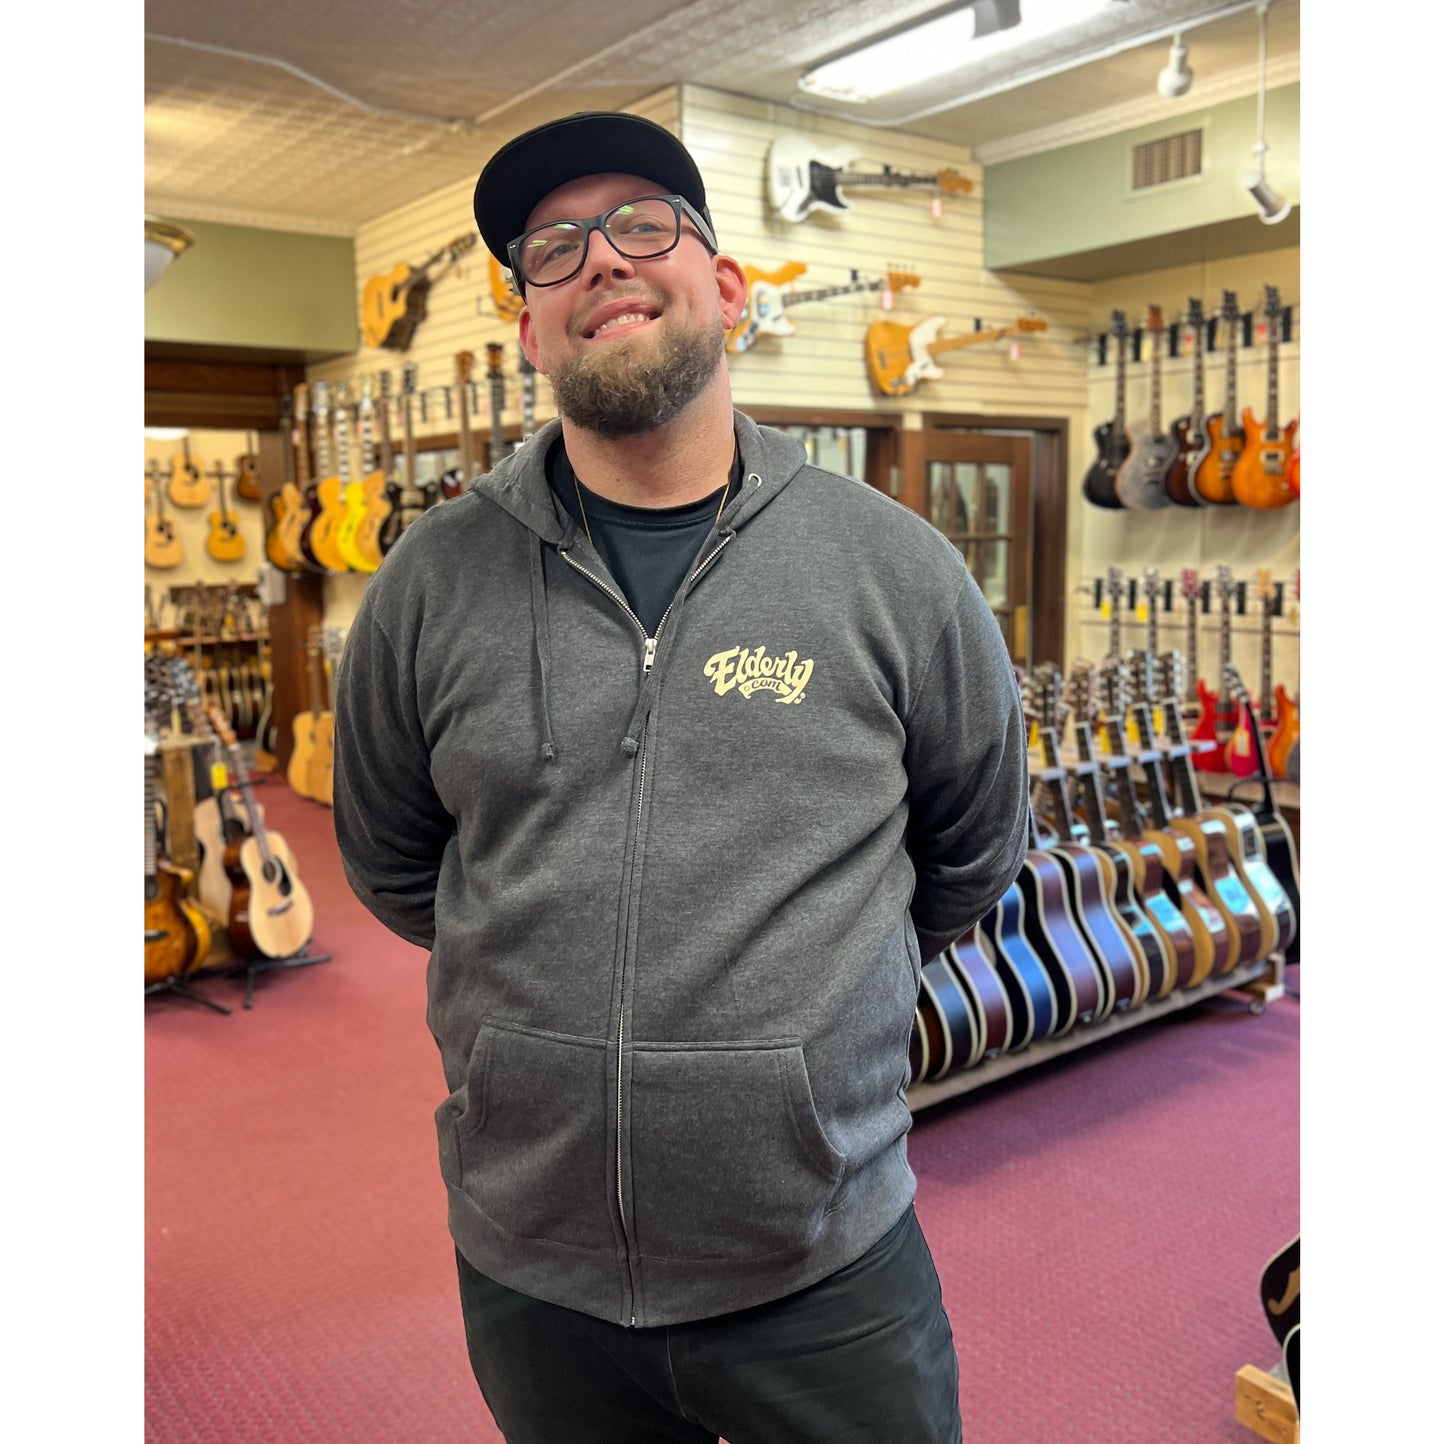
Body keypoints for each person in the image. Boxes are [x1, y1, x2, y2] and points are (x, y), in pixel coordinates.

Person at [331, 109, 1030, 1444]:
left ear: (728, 287)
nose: (599, 261)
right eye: (552, 249)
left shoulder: (892, 566)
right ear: (530, 326)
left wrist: (795, 1037)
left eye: (642, 224)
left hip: (820, 1264)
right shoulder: (430, 578)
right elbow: (394, 863)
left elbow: (969, 850)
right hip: (532, 1264)